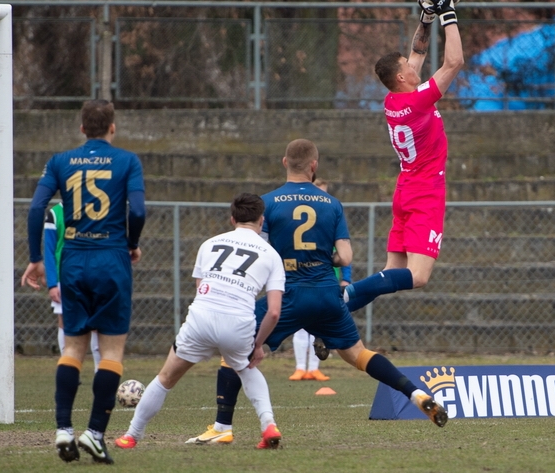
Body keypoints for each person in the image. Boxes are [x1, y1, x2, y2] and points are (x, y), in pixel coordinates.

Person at [187, 139, 446, 445]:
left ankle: (222, 427)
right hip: (326, 293)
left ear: (285, 162)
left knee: (232, 354)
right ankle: (414, 392)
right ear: (314, 166)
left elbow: (261, 250)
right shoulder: (332, 203)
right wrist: (327, 259)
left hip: (288, 296)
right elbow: (346, 257)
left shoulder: (267, 203)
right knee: (359, 354)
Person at [21, 99, 146, 465]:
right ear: (112, 127)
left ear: (81, 129)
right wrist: (132, 244)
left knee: (72, 348)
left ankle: (63, 429)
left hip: (73, 258)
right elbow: (137, 210)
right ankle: (94, 434)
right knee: (110, 352)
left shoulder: (60, 161)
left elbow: (35, 208)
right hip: (111, 258)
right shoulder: (127, 161)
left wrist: (35, 259)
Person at [114, 193, 286, 450]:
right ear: (262, 221)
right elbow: (273, 312)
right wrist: (257, 344)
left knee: (165, 377)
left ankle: (131, 436)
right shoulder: (272, 255)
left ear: (232, 219)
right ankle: (268, 424)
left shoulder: (209, 244)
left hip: (201, 318)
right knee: (246, 369)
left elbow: (201, 289)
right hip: (238, 322)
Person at [341, 0, 464, 314]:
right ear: (400, 78)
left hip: (405, 188)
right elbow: (454, 63)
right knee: (418, 275)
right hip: (425, 190)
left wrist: (426, 17)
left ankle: (338, 314)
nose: (414, 67)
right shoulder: (419, 100)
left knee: (392, 272)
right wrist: (448, 12)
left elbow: (418, 50)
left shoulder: (396, 100)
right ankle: (344, 296)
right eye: (408, 68)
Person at [288, 179, 352, 382]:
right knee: (300, 324)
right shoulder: (297, 219)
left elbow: (344, 250)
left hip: (326, 281)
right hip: (301, 279)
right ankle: (300, 367)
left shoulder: (332, 218)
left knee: (321, 325)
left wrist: (346, 278)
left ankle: (314, 367)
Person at [45, 202, 101, 371]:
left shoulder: (94, 210)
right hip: (65, 277)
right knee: (65, 322)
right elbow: (49, 250)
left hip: (93, 275)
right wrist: (52, 284)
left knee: (98, 323)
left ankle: (102, 370)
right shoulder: (55, 214)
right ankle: (68, 369)